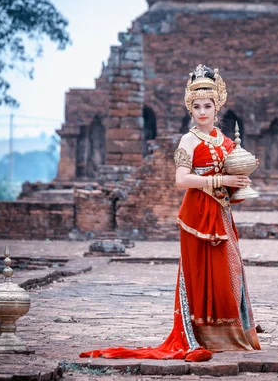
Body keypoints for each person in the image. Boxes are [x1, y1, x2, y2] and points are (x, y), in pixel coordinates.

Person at [79, 65, 261, 362]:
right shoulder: (188, 141)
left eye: (208, 106)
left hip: (221, 213)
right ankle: (199, 334)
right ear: (190, 109)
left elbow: (233, 176)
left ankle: (231, 334)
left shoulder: (226, 142)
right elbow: (181, 180)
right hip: (195, 214)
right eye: (197, 106)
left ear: (218, 108)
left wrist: (240, 179)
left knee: (229, 270)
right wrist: (220, 181)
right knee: (199, 271)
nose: (202, 112)